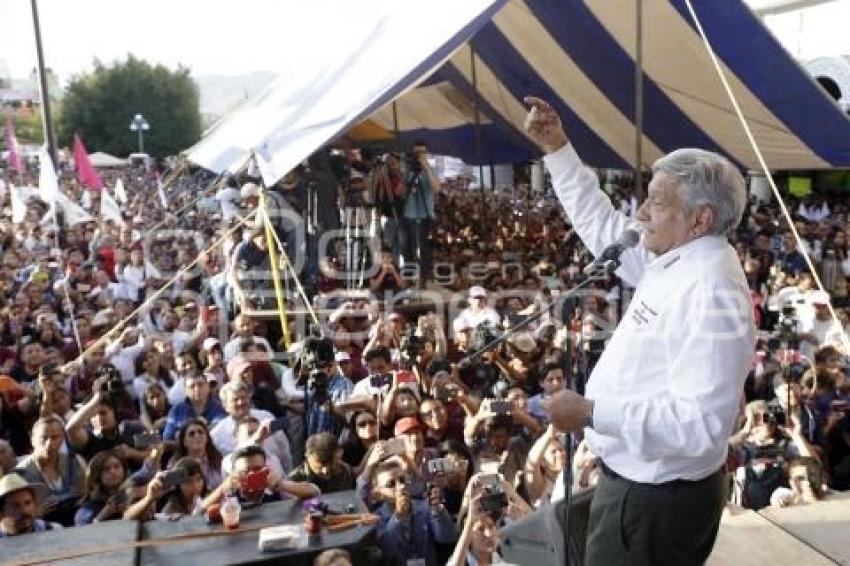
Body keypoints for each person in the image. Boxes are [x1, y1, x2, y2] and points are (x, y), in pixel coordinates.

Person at [525, 96, 755, 565]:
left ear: (700, 219)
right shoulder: (677, 258)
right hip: (641, 487)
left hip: (655, 501)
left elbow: (702, 428)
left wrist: (593, 411)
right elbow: (601, 222)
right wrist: (558, 149)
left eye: (657, 201)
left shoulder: (710, 290)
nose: (643, 210)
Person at [288, 433, 355, 494]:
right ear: (307, 456)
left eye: (331, 464)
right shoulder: (294, 482)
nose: (325, 471)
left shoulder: (345, 472)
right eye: (319, 467)